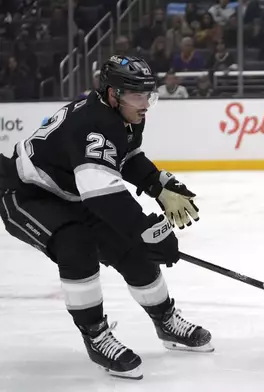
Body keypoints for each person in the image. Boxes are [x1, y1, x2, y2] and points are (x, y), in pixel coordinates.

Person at [0, 55, 211, 380]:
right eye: (137, 95)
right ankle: (96, 335)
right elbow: (101, 193)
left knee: (132, 251)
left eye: (148, 95)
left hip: (73, 192)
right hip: (27, 194)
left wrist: (158, 183)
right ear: (113, 94)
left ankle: (166, 321)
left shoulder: (124, 115)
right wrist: (146, 229)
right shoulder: (94, 123)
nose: (146, 104)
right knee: (76, 244)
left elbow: (123, 156)